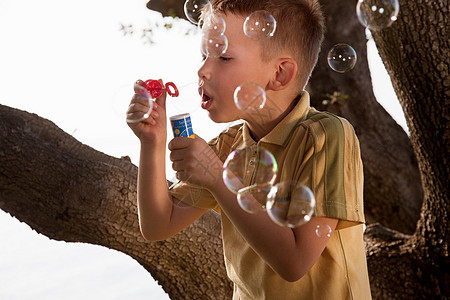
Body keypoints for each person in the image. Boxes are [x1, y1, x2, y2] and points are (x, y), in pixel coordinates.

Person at [127, 0, 372, 299]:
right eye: (204, 55)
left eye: (224, 57)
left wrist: (217, 178)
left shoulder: (326, 136)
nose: (202, 70)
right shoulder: (228, 146)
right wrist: (152, 141)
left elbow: (294, 263)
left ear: (280, 74)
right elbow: (157, 225)